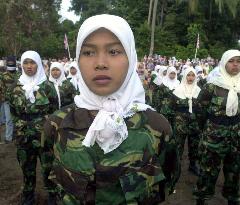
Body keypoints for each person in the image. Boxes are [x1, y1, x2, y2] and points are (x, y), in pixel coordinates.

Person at [43, 14, 179, 204]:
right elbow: (50, 178)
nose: (100, 63)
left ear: (131, 58)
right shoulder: (58, 123)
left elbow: (167, 180)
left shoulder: (157, 127)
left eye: (114, 51)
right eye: (88, 52)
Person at [193, 50, 240, 205]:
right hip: (213, 137)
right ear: (224, 63)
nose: (236, 65)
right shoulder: (212, 86)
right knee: (208, 170)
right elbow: (200, 110)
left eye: (239, 61)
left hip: (236, 137)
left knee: (234, 169)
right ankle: (202, 197)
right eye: (231, 61)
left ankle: (232, 196)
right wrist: (209, 129)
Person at [7, 51, 58, 205]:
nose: (29, 66)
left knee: (48, 168)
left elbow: (55, 110)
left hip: (44, 136)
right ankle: (28, 196)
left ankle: (52, 197)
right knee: (26, 168)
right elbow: (13, 111)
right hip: (24, 136)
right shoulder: (16, 86)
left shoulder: (47, 86)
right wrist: (19, 127)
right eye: (26, 63)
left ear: (38, 64)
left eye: (32, 62)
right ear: (21, 65)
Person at [171, 67, 201, 176]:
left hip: (194, 123)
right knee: (178, 145)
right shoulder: (177, 90)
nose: (191, 78)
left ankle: (193, 165)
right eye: (188, 75)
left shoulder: (199, 91)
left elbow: (202, 108)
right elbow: (172, 107)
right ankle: (176, 166)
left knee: (194, 145)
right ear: (184, 76)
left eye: (193, 75)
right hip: (180, 123)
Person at [0, 55, 18, 143]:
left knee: (18, 119)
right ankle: (8, 138)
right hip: (7, 101)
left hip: (19, 101)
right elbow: (1, 88)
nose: (11, 63)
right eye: (9, 62)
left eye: (12, 62)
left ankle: (17, 135)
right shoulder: (3, 75)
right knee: (9, 120)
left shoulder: (19, 74)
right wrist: (3, 98)